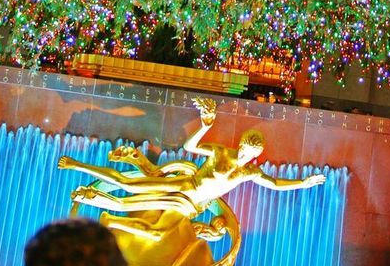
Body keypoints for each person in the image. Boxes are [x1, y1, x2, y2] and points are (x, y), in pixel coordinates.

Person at [57, 96, 325, 235]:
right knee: (129, 184)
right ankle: (76, 165)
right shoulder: (221, 153)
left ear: (256, 155)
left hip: (192, 206)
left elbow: (275, 184)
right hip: (186, 185)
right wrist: (205, 126)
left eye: (251, 152)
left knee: (132, 206)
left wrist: (303, 183)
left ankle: (94, 202)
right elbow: (189, 148)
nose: (245, 154)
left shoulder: (249, 172)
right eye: (244, 148)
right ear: (241, 145)